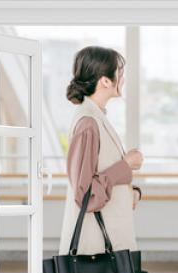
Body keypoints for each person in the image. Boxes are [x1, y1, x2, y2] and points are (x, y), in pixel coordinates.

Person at [58, 46, 143, 256]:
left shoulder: (95, 117)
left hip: (103, 242)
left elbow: (99, 174)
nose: (122, 79)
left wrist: (128, 192)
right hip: (95, 247)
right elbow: (85, 192)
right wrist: (127, 165)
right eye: (119, 73)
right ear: (105, 80)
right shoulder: (88, 122)